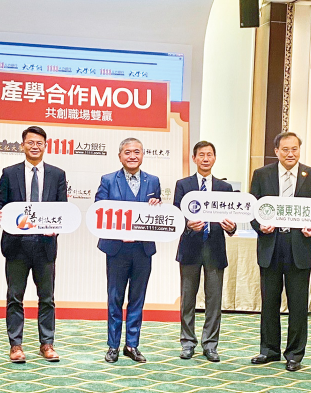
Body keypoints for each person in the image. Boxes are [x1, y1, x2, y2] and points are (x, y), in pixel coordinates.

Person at [249, 132, 311, 372]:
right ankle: (269, 350)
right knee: (269, 302)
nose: (290, 154)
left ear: (299, 150)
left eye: (294, 149)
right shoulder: (262, 174)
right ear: (276, 151)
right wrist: (259, 226)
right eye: (285, 149)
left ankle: (294, 354)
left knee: (298, 304)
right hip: (271, 245)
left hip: (298, 247)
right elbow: (252, 210)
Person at [0, 126, 67, 363]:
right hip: (17, 245)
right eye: (30, 142)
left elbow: (63, 209)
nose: (35, 146)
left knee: (47, 298)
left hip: (45, 245)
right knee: (15, 297)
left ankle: (47, 344)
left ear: (46, 146)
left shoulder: (57, 174)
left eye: (39, 143)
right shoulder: (9, 173)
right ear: (22, 145)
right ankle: (16, 345)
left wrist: (57, 226)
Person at [95, 138, 161, 363]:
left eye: (137, 152)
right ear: (120, 156)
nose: (132, 156)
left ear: (143, 155)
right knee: (115, 298)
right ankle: (113, 346)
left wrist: (157, 207)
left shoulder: (153, 181)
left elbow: (157, 215)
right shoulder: (108, 180)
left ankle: (132, 345)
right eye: (127, 152)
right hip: (117, 248)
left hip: (143, 249)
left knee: (137, 298)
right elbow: (99, 210)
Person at [173, 141, 236, 363]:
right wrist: (188, 225)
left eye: (209, 154)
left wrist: (232, 228)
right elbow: (176, 216)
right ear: (194, 158)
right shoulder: (183, 185)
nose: (205, 159)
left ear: (215, 158)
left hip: (215, 249)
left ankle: (210, 345)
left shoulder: (225, 188)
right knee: (187, 299)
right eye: (201, 155)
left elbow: (231, 219)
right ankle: (187, 343)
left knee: (214, 301)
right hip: (190, 248)